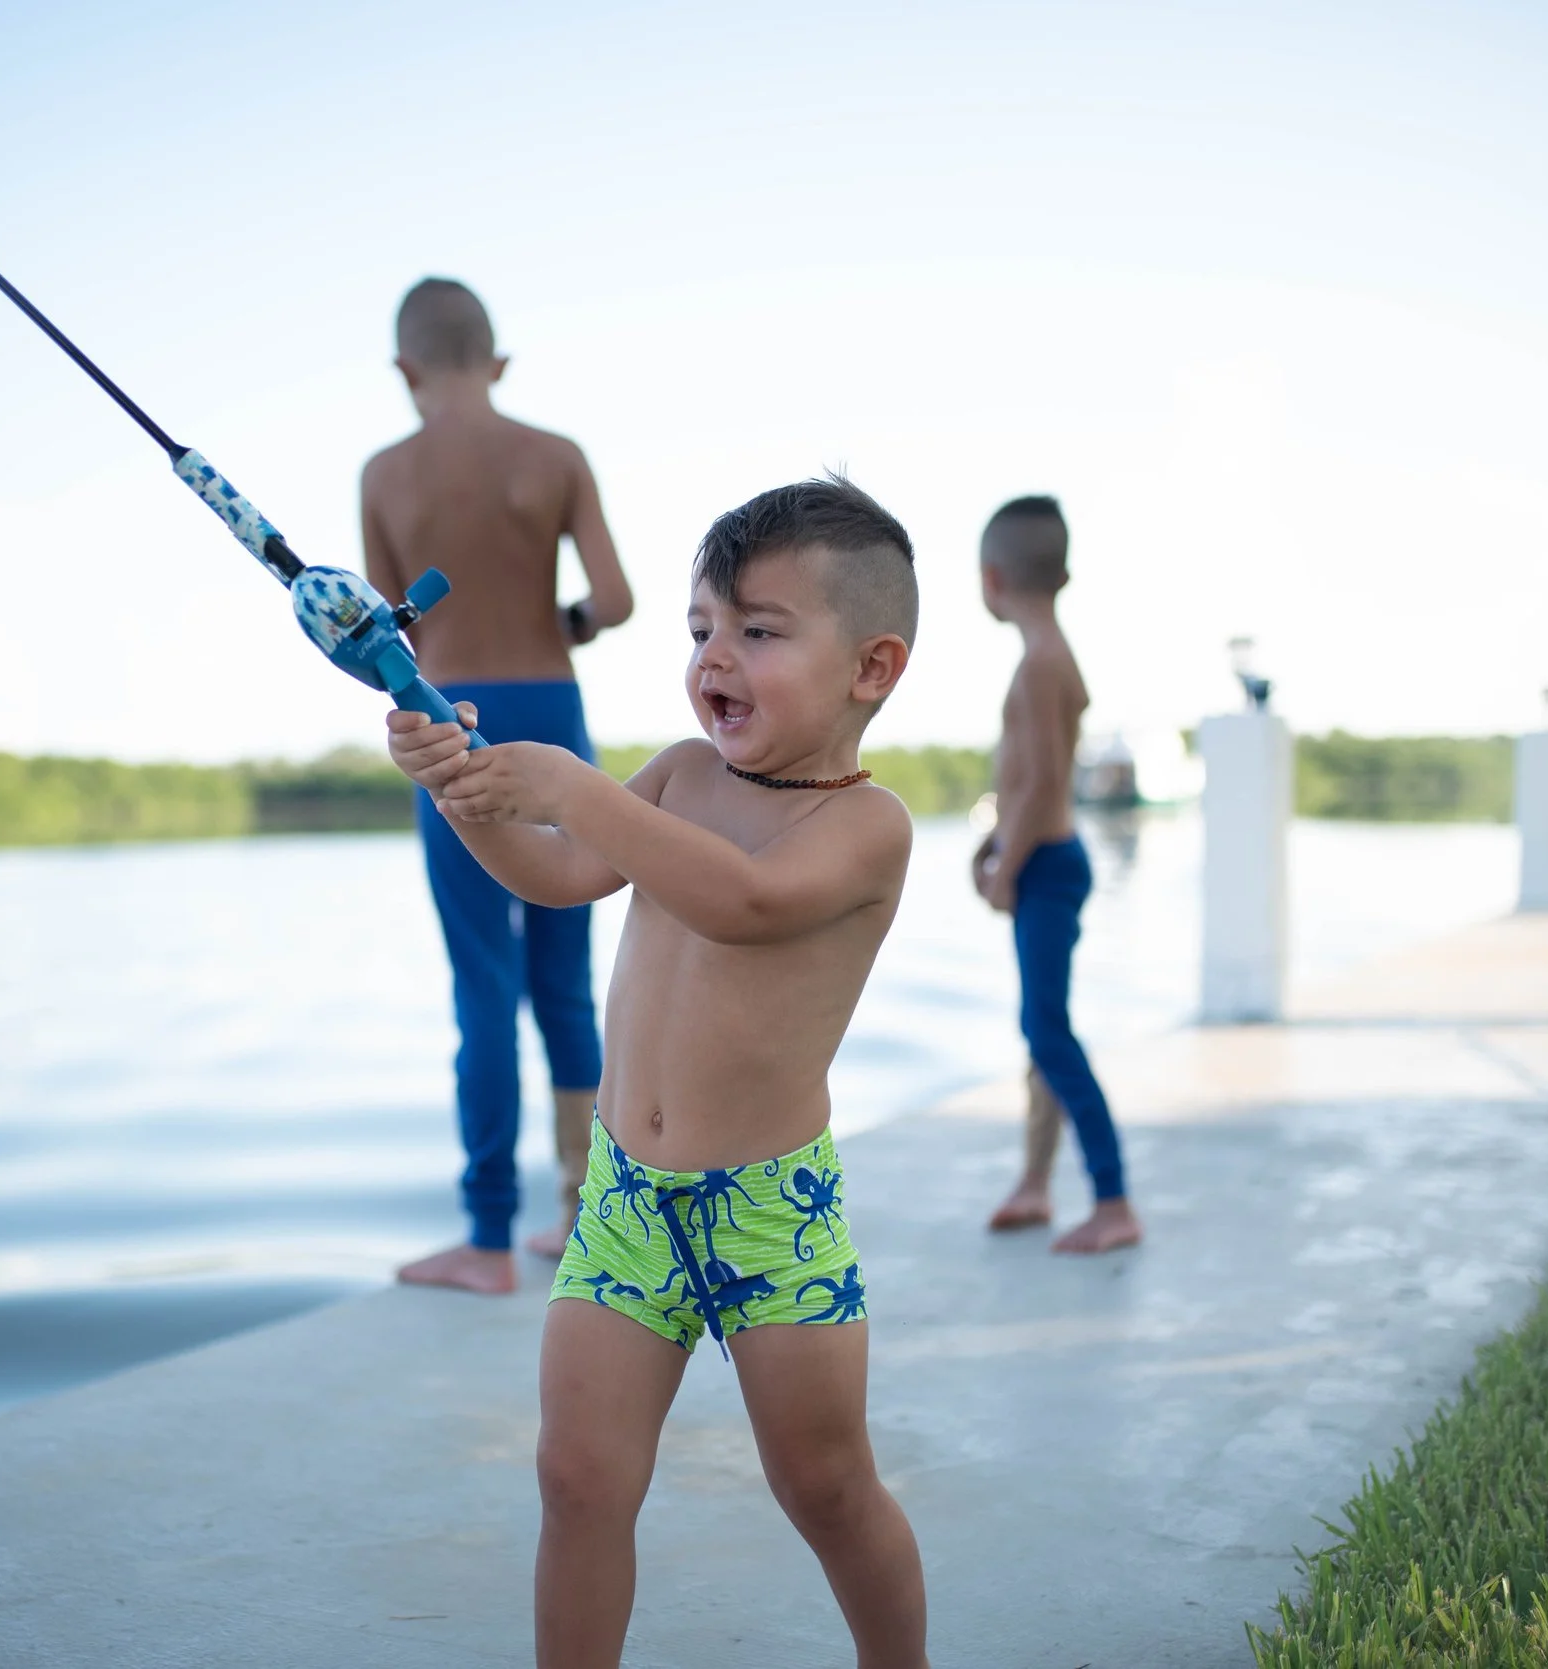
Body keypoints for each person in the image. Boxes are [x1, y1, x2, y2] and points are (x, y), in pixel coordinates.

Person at [386, 477, 930, 1669]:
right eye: (699, 630)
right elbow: (558, 872)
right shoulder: (681, 775)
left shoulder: (863, 825)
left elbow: (742, 903)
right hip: (626, 1202)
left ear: (872, 668)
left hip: (769, 1220)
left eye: (758, 630)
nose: (714, 657)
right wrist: (460, 786)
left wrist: (573, 782)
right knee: (575, 1474)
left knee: (826, 1489)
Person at [362, 278, 635, 1293]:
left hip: (449, 718)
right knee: (565, 985)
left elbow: (385, 632)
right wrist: (558, 625)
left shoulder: (384, 473)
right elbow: (614, 598)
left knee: (482, 983)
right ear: (500, 361)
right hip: (555, 711)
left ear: (405, 370)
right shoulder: (556, 456)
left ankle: (485, 1240)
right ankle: (585, 1215)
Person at [973, 496, 1142, 1254]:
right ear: (1063, 572)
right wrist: (996, 844)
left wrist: (1007, 865)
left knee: (1047, 1029)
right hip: (1043, 856)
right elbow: (1029, 785)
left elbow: (1043, 784)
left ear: (991, 577)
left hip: (1046, 864)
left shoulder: (1039, 663)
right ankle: (1036, 1183)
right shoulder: (1053, 652)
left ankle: (1113, 1200)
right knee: (1042, 1029)